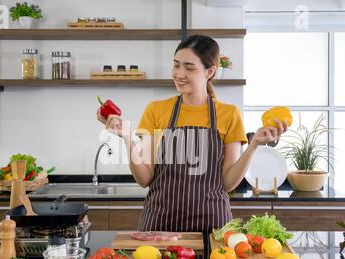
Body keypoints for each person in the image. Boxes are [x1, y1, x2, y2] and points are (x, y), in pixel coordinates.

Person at [97, 35, 287, 233]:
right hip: (160, 225)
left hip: (212, 226)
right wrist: (127, 138)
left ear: (209, 72)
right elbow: (144, 179)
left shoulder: (229, 114)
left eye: (189, 67)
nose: (179, 73)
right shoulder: (156, 110)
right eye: (176, 65)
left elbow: (228, 183)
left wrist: (254, 144)